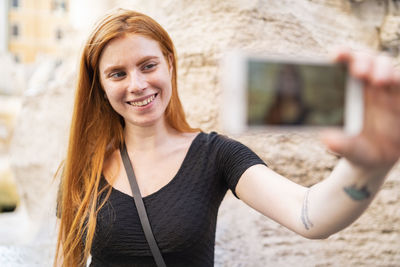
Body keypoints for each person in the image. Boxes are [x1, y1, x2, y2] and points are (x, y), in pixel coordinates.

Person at [55, 8, 400, 267]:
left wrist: (367, 166)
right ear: (100, 86)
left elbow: (310, 216)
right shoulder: (82, 168)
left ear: (170, 65)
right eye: (117, 73)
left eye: (148, 65)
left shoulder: (215, 155)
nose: (137, 85)